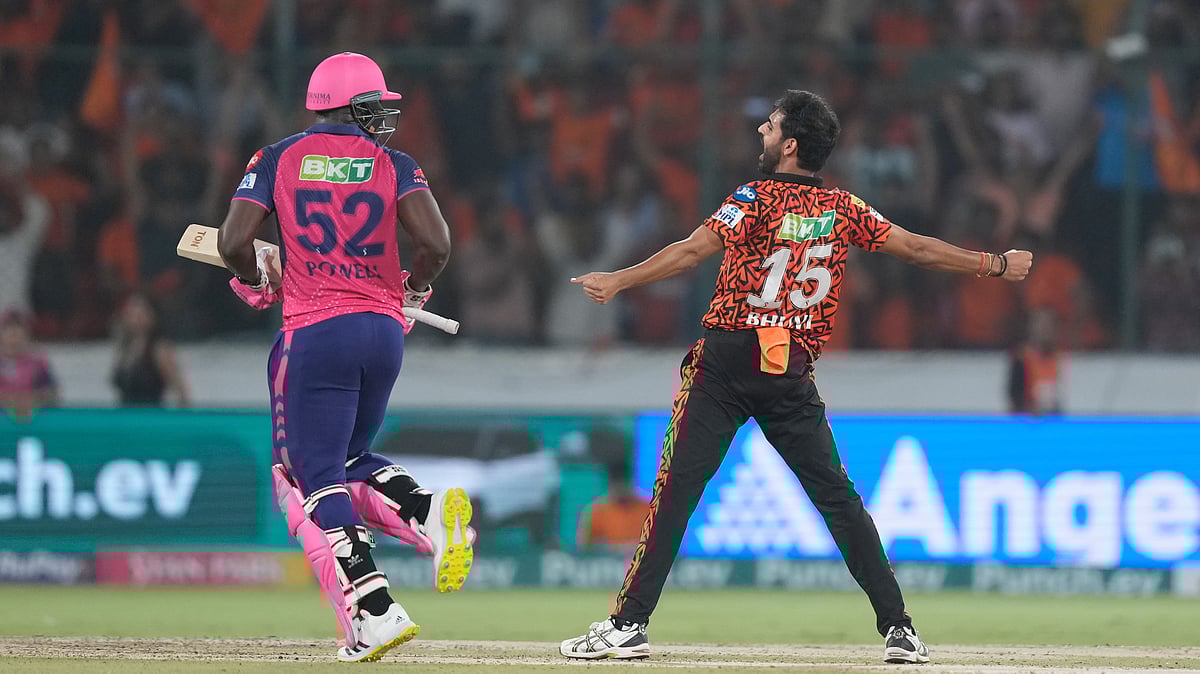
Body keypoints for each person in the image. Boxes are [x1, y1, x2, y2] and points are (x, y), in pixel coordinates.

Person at [561, 90, 1033, 664]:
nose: (760, 130)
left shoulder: (752, 197)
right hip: (788, 371)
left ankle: (628, 625)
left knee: (676, 494)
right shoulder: (843, 208)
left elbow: (691, 252)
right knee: (838, 499)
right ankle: (900, 629)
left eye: (769, 125)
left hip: (726, 363)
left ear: (788, 145)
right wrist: (995, 264)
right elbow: (917, 248)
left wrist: (619, 280)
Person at [215, 52, 474, 663]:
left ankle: (377, 609)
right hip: (383, 335)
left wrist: (259, 280)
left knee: (313, 474)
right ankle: (424, 508)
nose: (384, 117)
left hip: (316, 330)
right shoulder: (395, 164)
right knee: (349, 457)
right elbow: (436, 244)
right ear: (350, 105)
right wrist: (408, 295)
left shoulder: (275, 158)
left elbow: (231, 242)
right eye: (375, 106)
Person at [110, 291, 190, 407]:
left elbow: (180, 390)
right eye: (132, 313)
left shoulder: (159, 349)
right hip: (125, 417)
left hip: (150, 416)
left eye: (141, 313)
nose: (136, 318)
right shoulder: (125, 347)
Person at [0, 310, 58, 420]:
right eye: (8, 329)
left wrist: (32, 400)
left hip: (32, 422)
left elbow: (52, 393)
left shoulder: (37, 363)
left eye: (18, 328)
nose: (13, 333)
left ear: (26, 333)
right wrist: (11, 401)